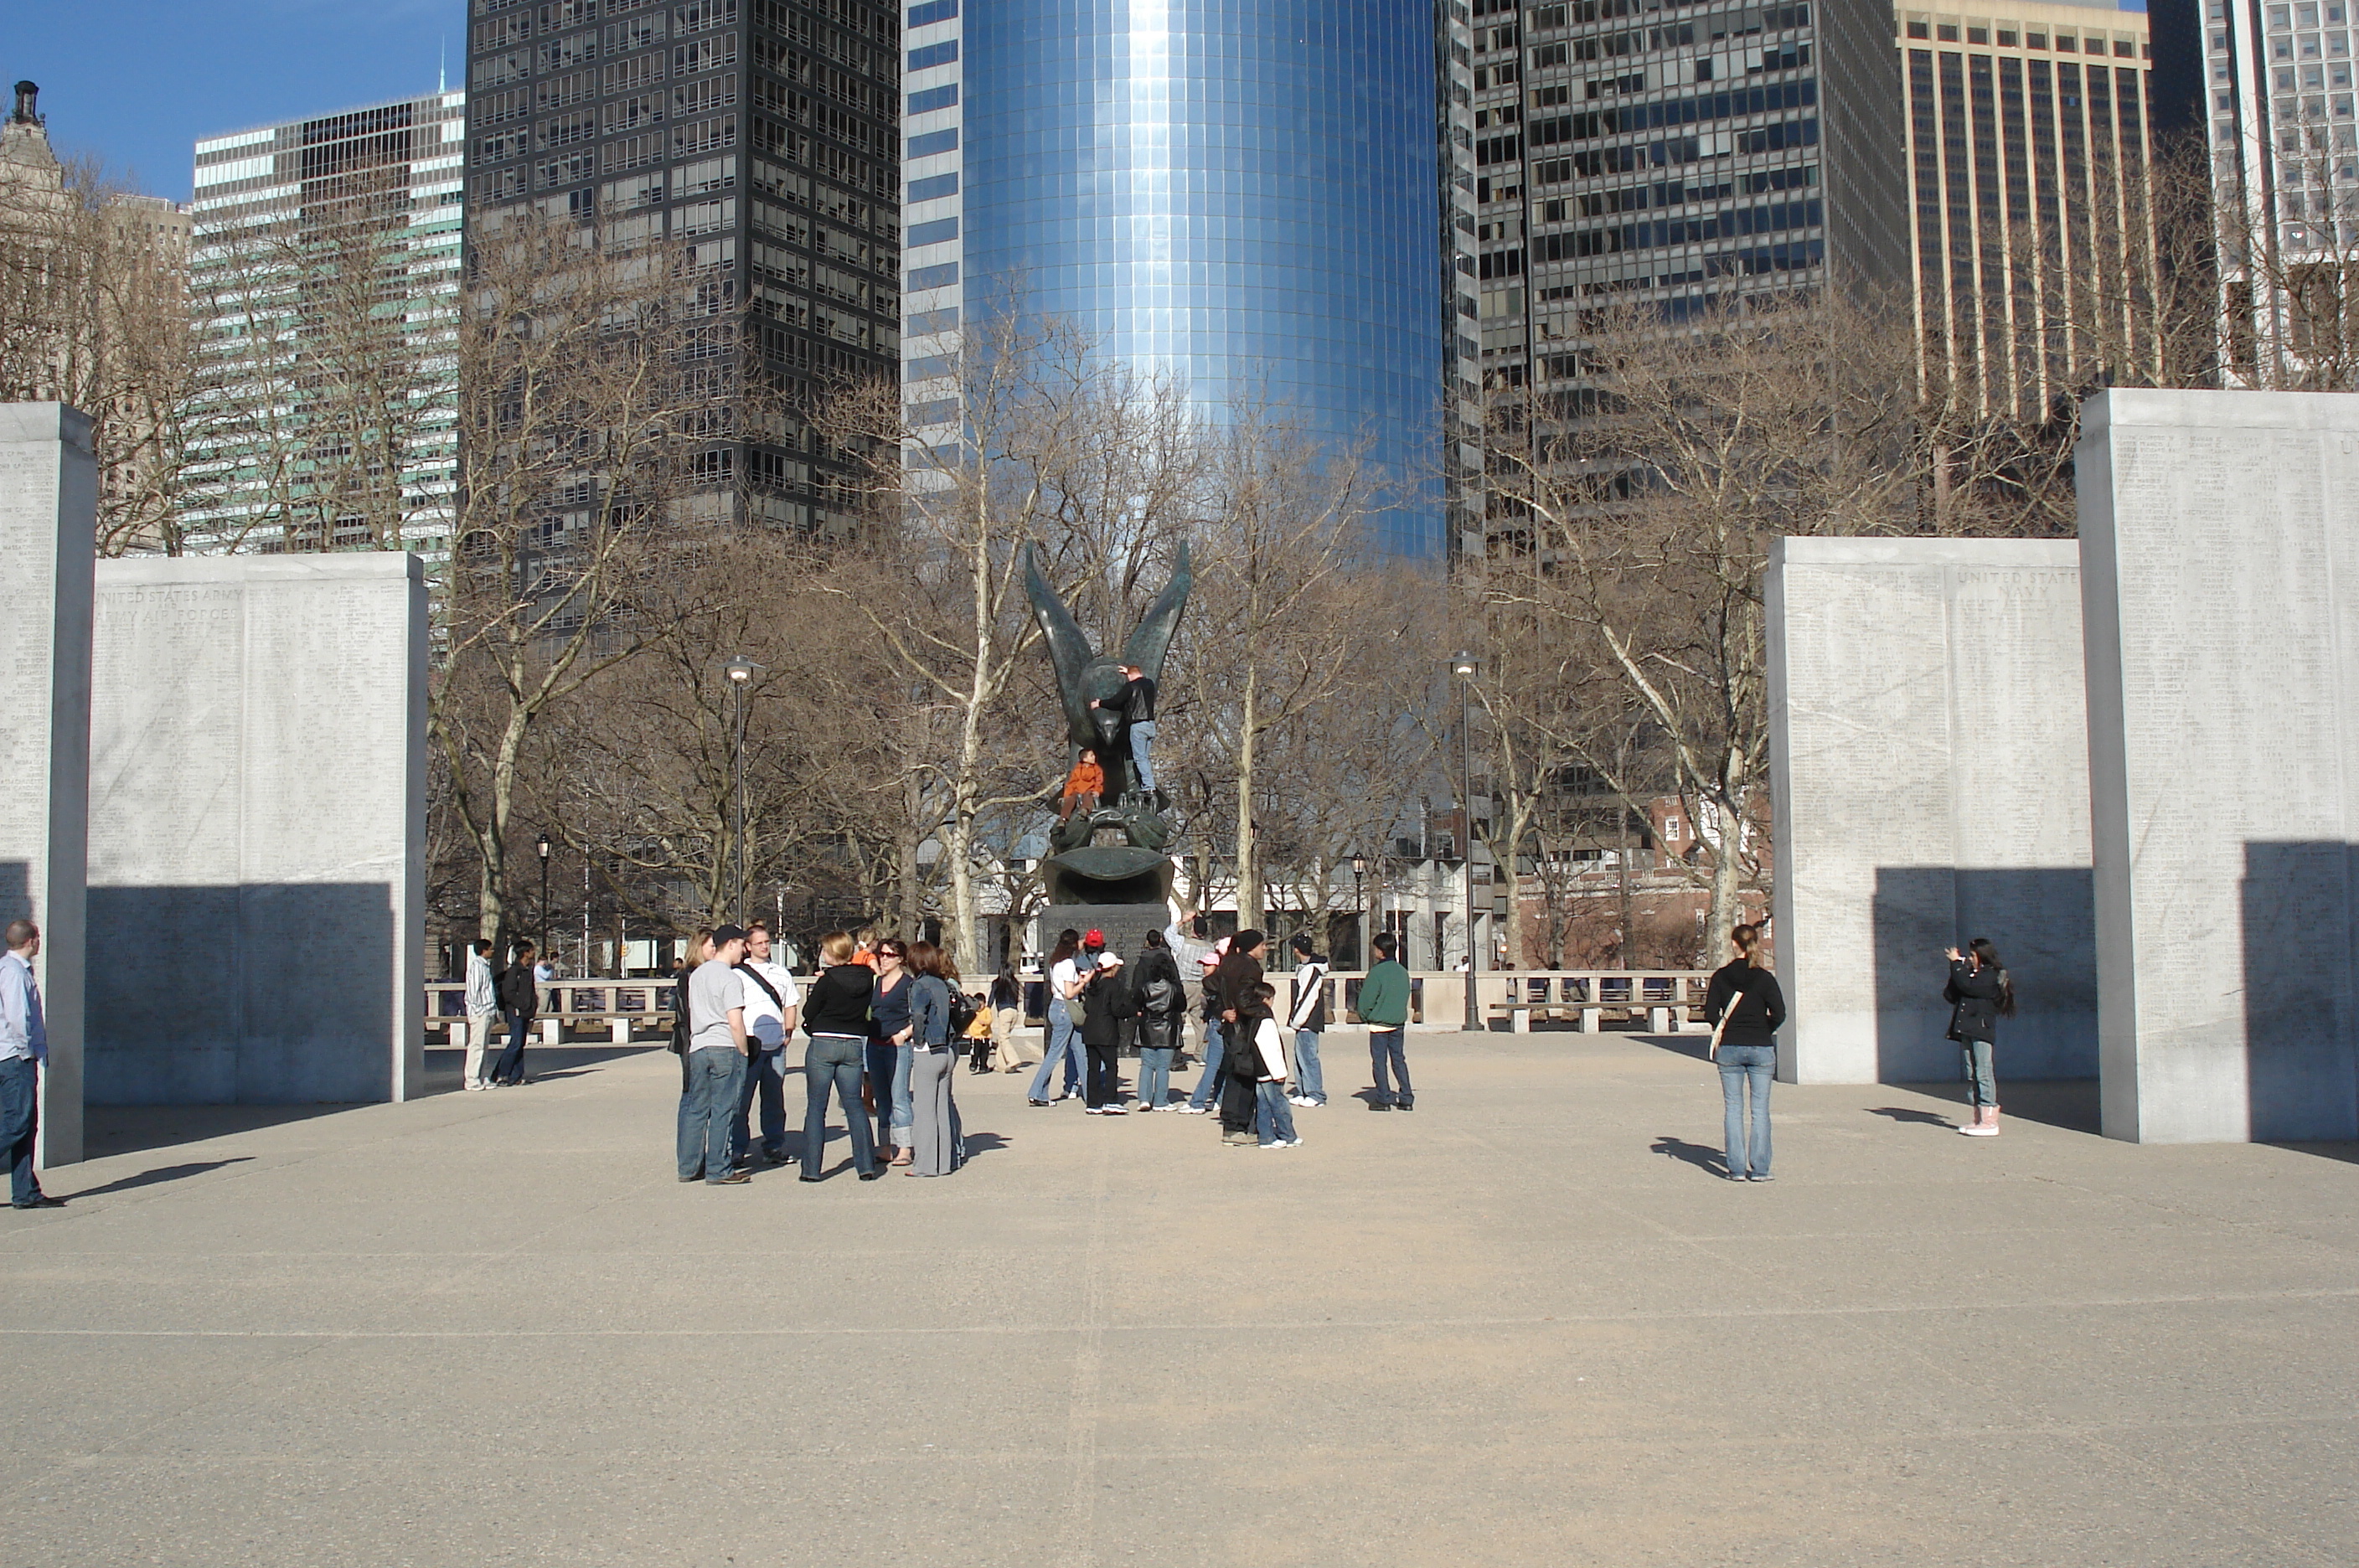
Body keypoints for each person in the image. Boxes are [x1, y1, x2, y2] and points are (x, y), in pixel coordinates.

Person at [1705, 922, 1787, 1182]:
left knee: (1733, 1108)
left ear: (1734, 944)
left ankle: (1737, 1169)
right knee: (1760, 1110)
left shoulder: (1720, 976)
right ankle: (1761, 1169)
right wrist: (1764, 1028)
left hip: (1730, 1047)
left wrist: (1723, 1028)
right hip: (1761, 1046)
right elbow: (1780, 1013)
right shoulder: (1764, 978)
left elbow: (1709, 1013)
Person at [801, 931, 883, 1181]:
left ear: (831, 954)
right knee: (854, 1105)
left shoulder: (828, 980)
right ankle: (866, 1165)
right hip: (852, 1041)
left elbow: (809, 1010)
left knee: (817, 1107)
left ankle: (811, 1169)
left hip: (824, 1040)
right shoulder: (867, 978)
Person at [679, 924, 755, 1186]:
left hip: (698, 1045)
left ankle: (688, 1166)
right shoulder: (729, 977)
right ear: (731, 943)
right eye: (743, 944)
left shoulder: (697, 974)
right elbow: (735, 1020)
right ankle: (719, 1168)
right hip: (724, 1045)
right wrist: (743, 1050)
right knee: (724, 1109)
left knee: (697, 1108)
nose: (745, 950)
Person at [1, 920, 60, 1210]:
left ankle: (25, 1193)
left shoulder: (15, 970)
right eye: (38, 938)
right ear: (32, 941)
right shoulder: (13, 973)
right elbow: (17, 1017)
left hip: (14, 1058)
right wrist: (28, 1051)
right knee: (17, 1123)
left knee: (27, 1126)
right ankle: (26, 1192)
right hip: (14, 1060)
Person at [732, 921, 802, 1168]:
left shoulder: (781, 973)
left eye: (767, 942)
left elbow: (790, 1003)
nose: (764, 946)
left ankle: (774, 1145)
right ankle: (737, 1149)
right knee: (741, 1101)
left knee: (774, 1101)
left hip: (776, 1046)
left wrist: (788, 1032)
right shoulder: (737, 973)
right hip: (750, 1045)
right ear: (748, 946)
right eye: (759, 943)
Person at [1945, 936, 2016, 1137]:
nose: (1971, 959)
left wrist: (1957, 965)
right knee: (1972, 1072)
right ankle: (1978, 1118)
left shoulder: (1991, 975)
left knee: (1983, 1071)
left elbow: (1970, 988)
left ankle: (1990, 1120)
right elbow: (1951, 995)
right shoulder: (1969, 974)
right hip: (1967, 1027)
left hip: (1981, 1029)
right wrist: (1958, 970)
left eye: (1974, 955)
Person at [905, 941, 964, 1175]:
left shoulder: (919, 986)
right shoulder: (943, 984)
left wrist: (915, 1039)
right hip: (947, 1049)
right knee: (941, 1110)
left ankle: (925, 1165)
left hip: (928, 1049)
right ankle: (944, 1162)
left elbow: (918, 1016)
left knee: (924, 1111)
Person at [1212, 931, 1269, 1146]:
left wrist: (1222, 1011)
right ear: (1251, 947)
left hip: (1230, 1027)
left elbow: (1210, 989)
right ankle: (1236, 1127)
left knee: (1235, 1075)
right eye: (1262, 945)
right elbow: (1245, 1001)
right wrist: (1264, 1011)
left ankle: (1238, 1124)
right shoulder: (1248, 966)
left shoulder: (1228, 963)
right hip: (1243, 1029)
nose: (1265, 948)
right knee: (1244, 1076)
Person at [1173, 919, 1231, 1115]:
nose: (1204, 967)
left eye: (1207, 965)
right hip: (1208, 1006)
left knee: (1213, 1063)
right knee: (1200, 1026)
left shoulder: (1215, 980)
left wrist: (1183, 920)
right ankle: (1218, 1097)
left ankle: (1197, 1101)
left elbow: (1168, 934)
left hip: (1188, 986)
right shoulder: (1209, 949)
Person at [1028, 929, 1088, 1106]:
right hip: (1066, 1009)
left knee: (1080, 1051)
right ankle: (1037, 1091)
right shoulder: (1069, 964)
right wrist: (1084, 981)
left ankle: (1090, 1092)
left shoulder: (1055, 962)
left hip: (1056, 1006)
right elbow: (1070, 993)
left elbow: (1056, 989)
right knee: (1055, 1053)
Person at [870, 938, 916, 1165]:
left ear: (900, 959)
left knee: (899, 1097)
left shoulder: (909, 984)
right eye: (882, 954)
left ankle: (905, 1148)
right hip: (875, 1045)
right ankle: (885, 1146)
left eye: (890, 955)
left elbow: (920, 1016)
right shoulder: (877, 982)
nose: (884, 958)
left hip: (898, 1046)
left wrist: (904, 1034)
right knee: (882, 1099)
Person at [671, 929, 714, 1175]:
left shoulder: (696, 974)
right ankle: (690, 1159)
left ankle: (691, 1157)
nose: (714, 952)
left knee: (692, 1099)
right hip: (692, 1040)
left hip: (691, 1039)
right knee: (693, 1099)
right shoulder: (692, 976)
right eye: (710, 947)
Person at [1130, 930, 1187, 1111]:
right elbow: (1182, 1006)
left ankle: (1144, 1099)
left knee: (1147, 1065)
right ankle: (1161, 1100)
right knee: (1163, 1067)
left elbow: (1136, 1001)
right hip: (1168, 1027)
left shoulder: (1145, 987)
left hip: (1147, 1026)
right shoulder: (1174, 989)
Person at [1358, 931, 1413, 1111]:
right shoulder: (1402, 971)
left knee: (1379, 1062)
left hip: (1379, 1023)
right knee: (1398, 1060)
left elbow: (1366, 1000)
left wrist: (1366, 1016)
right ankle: (1406, 1097)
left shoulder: (1377, 973)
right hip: (1397, 1022)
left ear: (1380, 951)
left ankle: (1383, 1099)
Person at [1089, 661, 1159, 797]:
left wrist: (1099, 703)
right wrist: (1129, 671)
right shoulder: (1149, 684)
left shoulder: (1130, 687)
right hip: (1151, 726)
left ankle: (1149, 787)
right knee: (1145, 758)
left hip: (1138, 726)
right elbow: (1139, 678)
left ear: (1130, 676)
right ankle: (1148, 784)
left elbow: (1116, 702)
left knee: (1139, 758)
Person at [1077, 936, 1129, 1114]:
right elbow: (1116, 1009)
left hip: (1090, 1030)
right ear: (1113, 968)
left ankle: (1093, 1103)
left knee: (1093, 1068)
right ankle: (1110, 1100)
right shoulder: (1113, 985)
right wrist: (1131, 1011)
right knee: (1111, 1066)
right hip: (1106, 1031)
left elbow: (1087, 1006)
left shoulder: (1093, 985)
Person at [1247, 983, 1301, 1148]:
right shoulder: (1265, 1018)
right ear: (1266, 999)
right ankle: (1288, 1135)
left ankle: (1266, 1137)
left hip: (1258, 1068)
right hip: (1270, 1069)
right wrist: (1279, 1071)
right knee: (1278, 1103)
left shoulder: (1251, 1016)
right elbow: (1271, 1048)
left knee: (1263, 1104)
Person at [1286, 932, 1329, 1107]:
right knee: (1300, 1056)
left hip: (1308, 1021)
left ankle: (1316, 1094)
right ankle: (1303, 1090)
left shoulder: (1311, 969)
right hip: (1304, 1021)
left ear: (1297, 950)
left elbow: (1307, 998)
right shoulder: (1306, 968)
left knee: (1309, 1056)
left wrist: (1296, 1020)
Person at [490, 940, 539, 1086]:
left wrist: (532, 1006)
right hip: (516, 1012)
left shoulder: (527, 970)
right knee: (515, 1043)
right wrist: (521, 1005)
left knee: (520, 1043)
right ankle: (501, 1074)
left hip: (525, 1012)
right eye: (531, 950)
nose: (534, 953)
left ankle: (516, 1076)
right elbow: (508, 993)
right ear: (525, 953)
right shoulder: (514, 971)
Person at [462, 937, 499, 1091]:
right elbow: (473, 992)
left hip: (488, 1010)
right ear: (484, 950)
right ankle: (471, 1079)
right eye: (490, 949)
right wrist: (478, 1011)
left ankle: (480, 1075)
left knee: (483, 1046)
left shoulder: (485, 966)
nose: (493, 951)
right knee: (476, 1046)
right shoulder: (477, 967)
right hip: (480, 1012)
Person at [981, 966, 1023, 1075]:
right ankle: (1001, 1065)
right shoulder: (1015, 983)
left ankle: (1013, 1060)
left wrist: (987, 1009)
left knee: (1004, 1038)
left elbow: (992, 997)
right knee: (1001, 1038)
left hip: (1004, 1012)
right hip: (1014, 1012)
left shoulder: (997, 983)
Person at [1059, 748, 1105, 822]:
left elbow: (1099, 781)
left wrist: (1097, 791)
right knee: (1070, 800)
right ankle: (1063, 818)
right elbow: (1071, 783)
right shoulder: (1077, 769)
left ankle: (1085, 810)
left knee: (1088, 796)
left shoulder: (1096, 769)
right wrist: (1066, 796)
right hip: (1077, 789)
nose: (1094, 757)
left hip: (1090, 789)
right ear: (1085, 759)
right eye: (1091, 756)